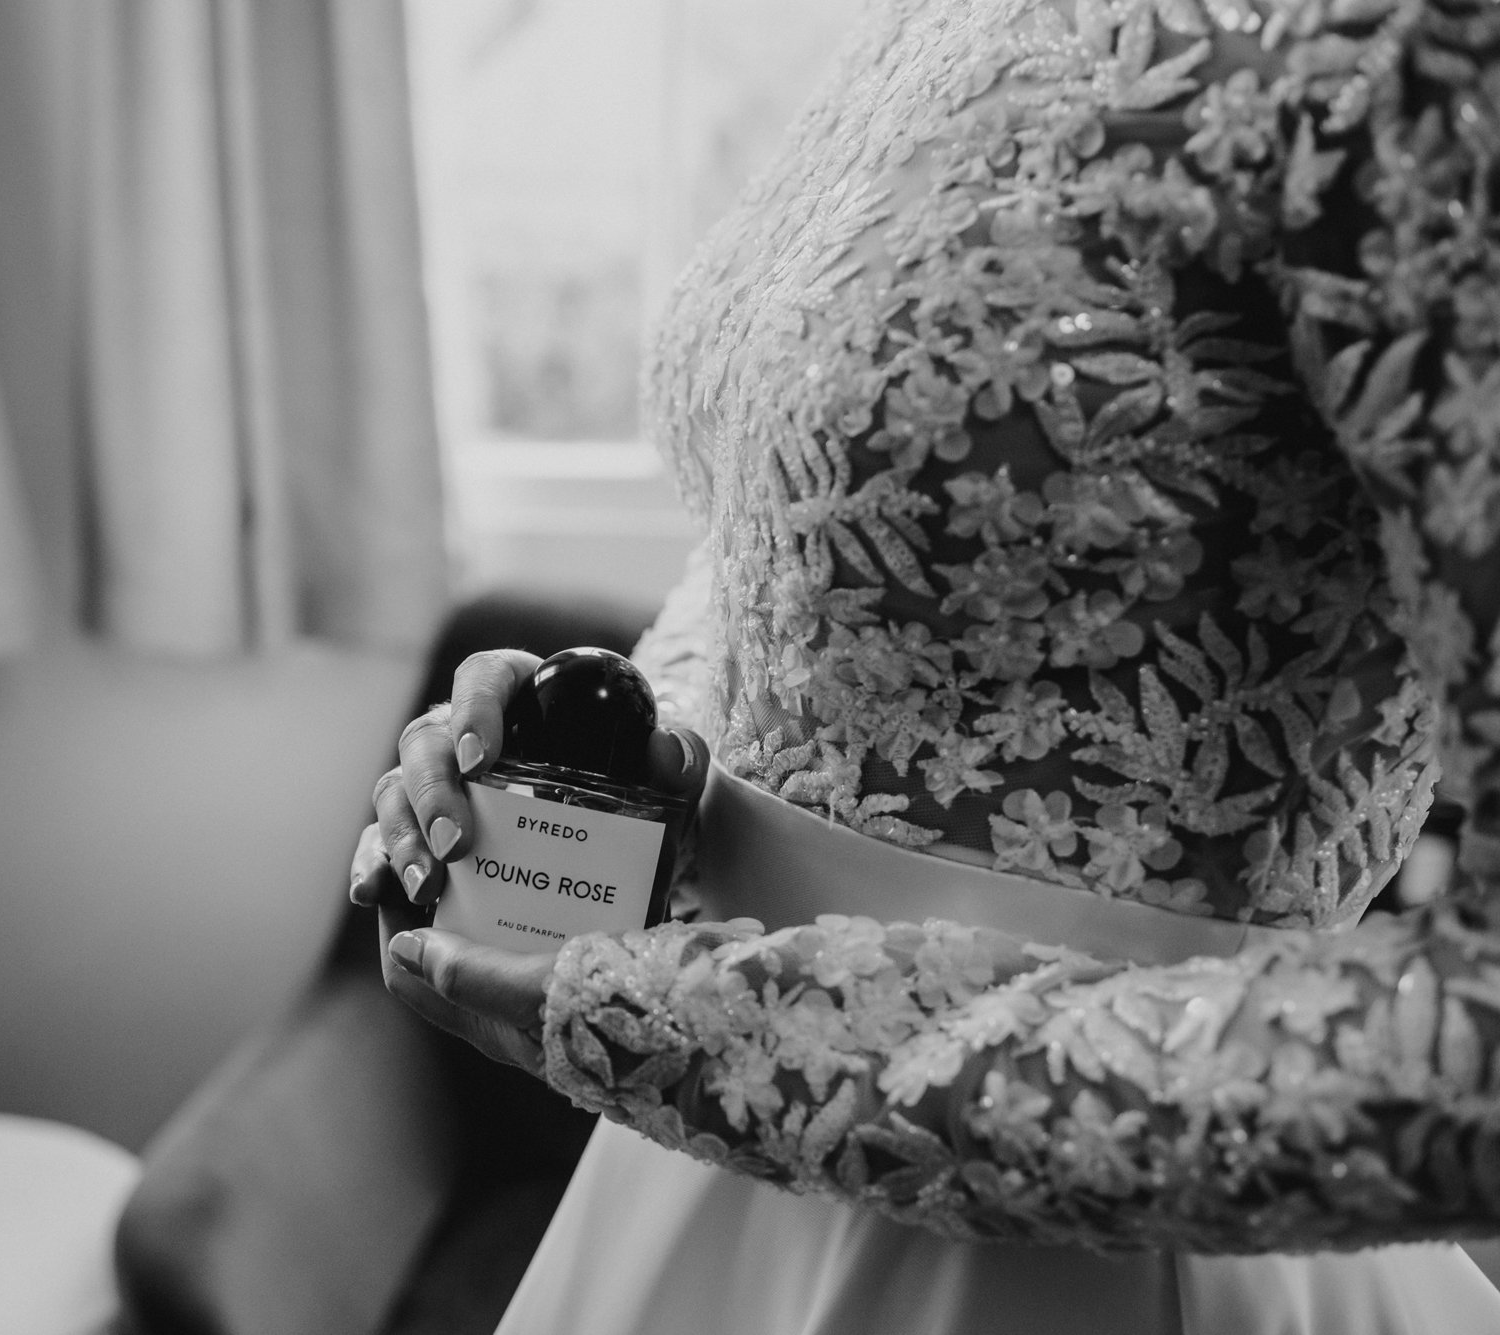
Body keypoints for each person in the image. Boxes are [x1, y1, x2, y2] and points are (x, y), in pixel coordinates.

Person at [353, 0, 1500, 1329]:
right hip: (702, 1203)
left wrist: (745, 1043)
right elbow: (793, 567)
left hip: (1087, 1260)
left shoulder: (1417, 48)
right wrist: (621, 757)